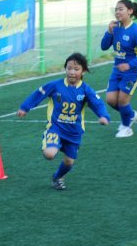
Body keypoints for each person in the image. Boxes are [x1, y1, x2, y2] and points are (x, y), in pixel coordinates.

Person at [17, 53, 110, 190]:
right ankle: (51, 144)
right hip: (56, 128)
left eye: (76, 69)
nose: (72, 72)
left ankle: (57, 177)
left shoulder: (86, 90)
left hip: (74, 133)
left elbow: (98, 104)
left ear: (83, 71)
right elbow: (39, 93)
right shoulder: (55, 85)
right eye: (69, 68)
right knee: (49, 154)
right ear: (65, 69)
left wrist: (103, 116)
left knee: (69, 162)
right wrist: (25, 107)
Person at [100, 0, 137, 138]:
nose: (117, 12)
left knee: (123, 100)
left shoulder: (136, 30)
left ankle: (126, 127)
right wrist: (109, 32)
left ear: (130, 11)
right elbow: (104, 46)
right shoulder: (115, 27)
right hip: (117, 70)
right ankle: (131, 114)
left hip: (132, 71)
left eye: (121, 9)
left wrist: (129, 65)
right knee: (111, 100)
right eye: (116, 9)